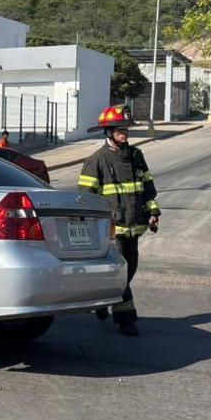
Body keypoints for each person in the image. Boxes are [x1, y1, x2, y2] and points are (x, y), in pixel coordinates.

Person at [77, 105, 161, 337]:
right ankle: (126, 321)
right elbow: (86, 199)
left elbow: (147, 188)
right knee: (121, 274)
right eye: (119, 130)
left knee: (130, 270)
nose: (124, 134)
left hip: (135, 226)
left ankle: (102, 300)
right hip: (112, 231)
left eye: (125, 129)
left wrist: (153, 212)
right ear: (108, 133)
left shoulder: (136, 156)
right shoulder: (97, 160)